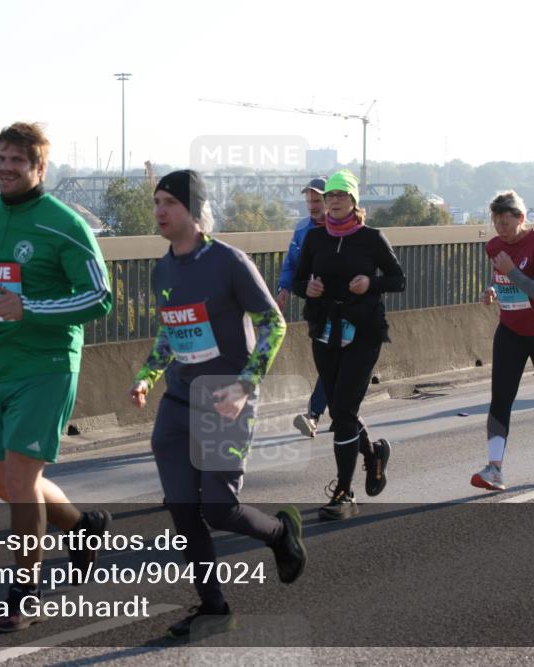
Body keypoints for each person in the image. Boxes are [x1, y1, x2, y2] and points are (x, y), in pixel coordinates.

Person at [128, 169, 307, 640]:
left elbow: (274, 322)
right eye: (157, 202)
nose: (159, 211)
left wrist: (247, 384)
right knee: (184, 508)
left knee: (218, 509)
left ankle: (279, 533)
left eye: (169, 202)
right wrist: (147, 376)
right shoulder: (162, 268)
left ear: (194, 210)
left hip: (226, 397)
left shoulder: (230, 262)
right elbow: (171, 330)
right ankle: (213, 606)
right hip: (178, 401)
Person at [0, 122, 114, 633]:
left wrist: (33, 308)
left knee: (22, 482)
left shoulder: (64, 223)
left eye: (17, 161)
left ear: (38, 167)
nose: (6, 168)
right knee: (4, 483)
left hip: (47, 366)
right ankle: (83, 528)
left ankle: (25, 591)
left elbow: (99, 297)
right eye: (1, 158)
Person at [291, 169, 405, 520]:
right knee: (343, 410)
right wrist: (305, 289)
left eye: (341, 195)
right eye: (330, 197)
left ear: (354, 201)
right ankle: (372, 457)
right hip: (325, 330)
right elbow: (298, 279)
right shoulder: (314, 239)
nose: (334, 201)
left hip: (364, 332)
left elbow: (398, 279)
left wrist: (370, 283)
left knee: (342, 411)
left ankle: (344, 491)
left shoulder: (371, 238)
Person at [471, 190, 534, 491]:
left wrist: (512, 272)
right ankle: (494, 469)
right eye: (496, 222)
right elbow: (499, 278)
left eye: (506, 222)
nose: (501, 228)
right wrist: (491, 290)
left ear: (521, 218)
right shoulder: (494, 246)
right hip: (512, 330)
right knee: (501, 397)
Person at [276, 177, 329, 438]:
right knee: (330, 364)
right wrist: (283, 289)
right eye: (308, 201)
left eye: (317, 200)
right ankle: (328, 414)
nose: (312, 206)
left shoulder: (349, 229)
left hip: (349, 309)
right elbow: (291, 265)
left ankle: (316, 414)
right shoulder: (301, 230)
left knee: (336, 365)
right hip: (317, 308)